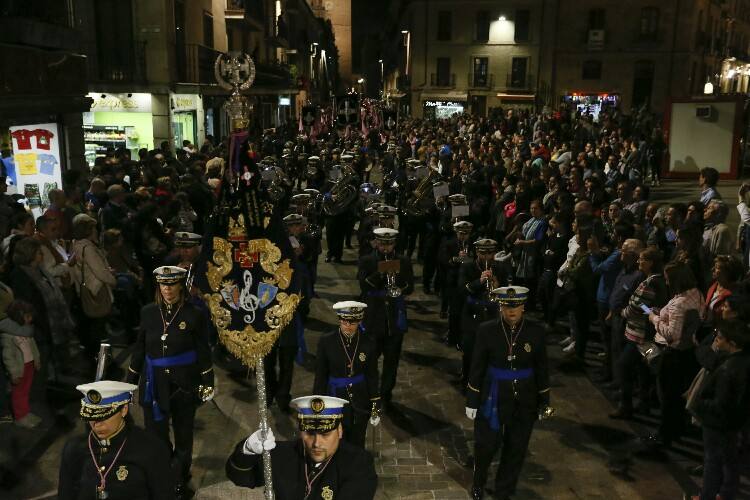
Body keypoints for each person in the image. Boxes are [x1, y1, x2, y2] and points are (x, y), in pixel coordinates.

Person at [126, 266, 214, 498]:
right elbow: (139, 348)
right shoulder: (148, 312)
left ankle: (179, 480)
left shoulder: (194, 314)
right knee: (156, 437)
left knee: (184, 438)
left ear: (180, 286)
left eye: (172, 284)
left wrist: (208, 382)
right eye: (163, 284)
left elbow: (204, 351)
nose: (167, 289)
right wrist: (129, 383)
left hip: (184, 385)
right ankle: (164, 474)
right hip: (153, 386)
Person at [465, 286, 551, 500]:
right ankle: (478, 482)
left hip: (525, 398)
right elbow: (477, 366)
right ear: (500, 306)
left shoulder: (536, 331)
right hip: (492, 396)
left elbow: (542, 368)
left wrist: (544, 400)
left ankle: (504, 490)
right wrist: (472, 400)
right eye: (507, 306)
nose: (512, 311)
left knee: (517, 447)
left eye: (516, 306)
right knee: (485, 445)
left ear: (523, 306)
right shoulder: (486, 330)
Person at [226, 395, 377, 499]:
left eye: (325, 435)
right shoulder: (283, 454)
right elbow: (242, 478)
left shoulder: (358, 464)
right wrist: (247, 450)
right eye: (310, 434)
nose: (316, 443)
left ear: (339, 431)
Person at [57, 380, 174, 500]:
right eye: (92, 416)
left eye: (104, 417)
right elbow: (65, 495)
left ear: (124, 409)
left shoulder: (151, 449)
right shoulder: (74, 449)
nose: (97, 424)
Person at [690, 320, 750, 500]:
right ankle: (726, 493)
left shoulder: (727, 369)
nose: (716, 340)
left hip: (718, 424)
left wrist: (698, 403)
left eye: (720, 338)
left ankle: (706, 496)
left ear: (733, 344)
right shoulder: (745, 361)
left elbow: (719, 405)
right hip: (735, 422)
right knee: (730, 460)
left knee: (712, 462)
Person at [357, 228, 414, 410]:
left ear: (394, 243)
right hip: (373, 317)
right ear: (377, 242)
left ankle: (386, 395)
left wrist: (398, 280)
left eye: (389, 244)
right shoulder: (367, 260)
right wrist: (382, 272)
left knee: (392, 362)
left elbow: (410, 287)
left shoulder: (403, 261)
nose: (386, 248)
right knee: (370, 360)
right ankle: (370, 392)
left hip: (394, 320)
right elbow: (363, 286)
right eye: (382, 244)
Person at [313, 301, 380, 448]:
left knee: (358, 440)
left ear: (359, 321)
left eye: (353, 323)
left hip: (360, 400)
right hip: (335, 398)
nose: (348, 326)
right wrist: (317, 404)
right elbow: (320, 375)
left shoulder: (368, 342)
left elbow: (372, 374)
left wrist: (375, 403)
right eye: (345, 322)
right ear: (340, 320)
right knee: (337, 441)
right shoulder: (326, 341)